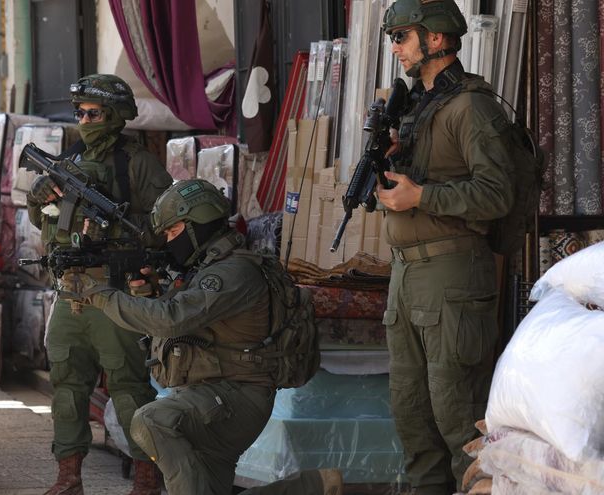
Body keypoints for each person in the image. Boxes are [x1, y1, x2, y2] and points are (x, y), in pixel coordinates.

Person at [58, 179, 343, 495]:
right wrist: (152, 293)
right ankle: (315, 487)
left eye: (173, 232)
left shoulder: (231, 273)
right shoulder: (209, 269)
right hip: (215, 396)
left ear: (199, 224)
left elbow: (171, 319)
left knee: (152, 420)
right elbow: (177, 312)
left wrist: (98, 294)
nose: (168, 241)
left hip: (234, 398)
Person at [376, 1, 515, 493]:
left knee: (459, 421)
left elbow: (497, 194)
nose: (394, 47)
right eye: (392, 37)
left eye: (401, 36)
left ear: (435, 39)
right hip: (407, 278)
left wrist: (422, 195)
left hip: (453, 276)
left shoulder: (470, 106)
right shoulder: (420, 106)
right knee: (413, 422)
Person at [26, 74, 173, 495]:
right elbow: (48, 223)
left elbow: (168, 225)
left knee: (128, 388)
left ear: (114, 116)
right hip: (70, 292)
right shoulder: (68, 162)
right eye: (80, 113)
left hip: (114, 293)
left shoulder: (138, 164)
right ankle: (68, 476)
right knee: (67, 389)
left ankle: (147, 478)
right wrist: (39, 198)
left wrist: (117, 228)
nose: (85, 120)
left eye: (94, 113)